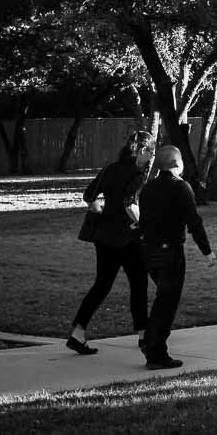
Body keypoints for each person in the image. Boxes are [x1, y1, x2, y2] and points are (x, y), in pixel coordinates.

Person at [66, 130, 155, 355]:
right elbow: (129, 204)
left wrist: (102, 209)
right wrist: (144, 224)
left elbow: (89, 196)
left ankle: (77, 333)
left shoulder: (109, 169)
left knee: (102, 284)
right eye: (151, 152)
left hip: (103, 237)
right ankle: (144, 336)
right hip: (127, 238)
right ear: (142, 150)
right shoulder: (138, 173)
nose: (152, 157)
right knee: (138, 284)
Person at [138, 145, 214, 370]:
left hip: (148, 250)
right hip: (169, 252)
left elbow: (143, 221)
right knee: (166, 303)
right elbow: (194, 221)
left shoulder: (148, 188)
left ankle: (151, 340)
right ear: (176, 163)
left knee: (162, 299)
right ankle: (156, 352)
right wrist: (206, 250)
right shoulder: (181, 187)